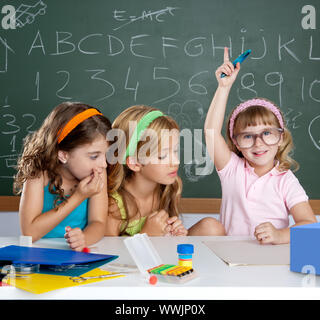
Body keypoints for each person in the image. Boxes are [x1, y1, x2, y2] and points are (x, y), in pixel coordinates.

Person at [204, 47, 317, 244]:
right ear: (236, 143)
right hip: (230, 259)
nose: (258, 143)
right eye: (247, 136)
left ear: (280, 138)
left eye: (267, 133)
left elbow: (309, 225)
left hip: (270, 262)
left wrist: (280, 235)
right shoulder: (231, 169)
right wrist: (223, 88)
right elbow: (211, 132)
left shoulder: (285, 180)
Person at [105, 105, 225, 236]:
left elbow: (163, 243)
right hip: (130, 256)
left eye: (175, 151)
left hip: (158, 253)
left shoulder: (167, 187)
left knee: (211, 227)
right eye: (162, 156)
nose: (176, 161)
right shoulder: (114, 206)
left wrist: (175, 234)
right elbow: (113, 255)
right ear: (135, 163)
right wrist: (147, 235)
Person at [14, 102, 111, 251]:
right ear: (64, 155)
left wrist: (83, 239)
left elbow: (98, 223)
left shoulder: (97, 171)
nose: (104, 164)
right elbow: (30, 233)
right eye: (94, 156)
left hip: (76, 254)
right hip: (40, 251)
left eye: (106, 154)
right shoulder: (38, 173)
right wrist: (78, 196)